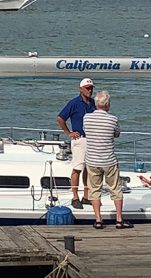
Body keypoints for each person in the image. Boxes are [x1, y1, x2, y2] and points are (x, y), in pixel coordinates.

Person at [83, 90, 131, 229]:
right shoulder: (113, 119)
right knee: (115, 189)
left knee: (94, 190)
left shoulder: (86, 118)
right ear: (107, 104)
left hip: (92, 160)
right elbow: (117, 134)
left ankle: (98, 220)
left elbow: (85, 130)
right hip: (109, 159)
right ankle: (119, 220)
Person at [57, 78, 96, 209]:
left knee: (88, 169)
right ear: (81, 89)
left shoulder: (93, 103)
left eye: (91, 88)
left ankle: (86, 196)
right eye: (87, 88)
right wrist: (69, 132)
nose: (90, 90)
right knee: (77, 168)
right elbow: (60, 118)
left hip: (91, 139)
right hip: (79, 140)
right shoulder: (74, 103)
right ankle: (75, 196)